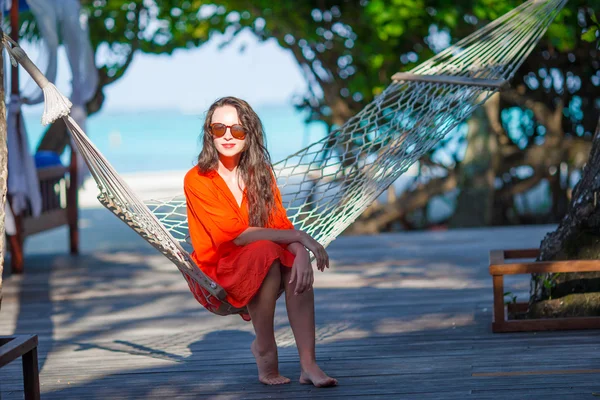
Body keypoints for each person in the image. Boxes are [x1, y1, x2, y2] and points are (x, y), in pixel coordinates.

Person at [184, 96, 337, 387]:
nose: (228, 136)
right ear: (209, 133)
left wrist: (300, 251)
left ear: (249, 134)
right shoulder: (198, 179)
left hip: (260, 259)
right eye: (219, 129)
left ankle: (308, 364)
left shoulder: (261, 174)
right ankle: (265, 348)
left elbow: (277, 224)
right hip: (219, 270)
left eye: (237, 130)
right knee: (266, 250)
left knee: (289, 261)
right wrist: (300, 237)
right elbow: (234, 235)